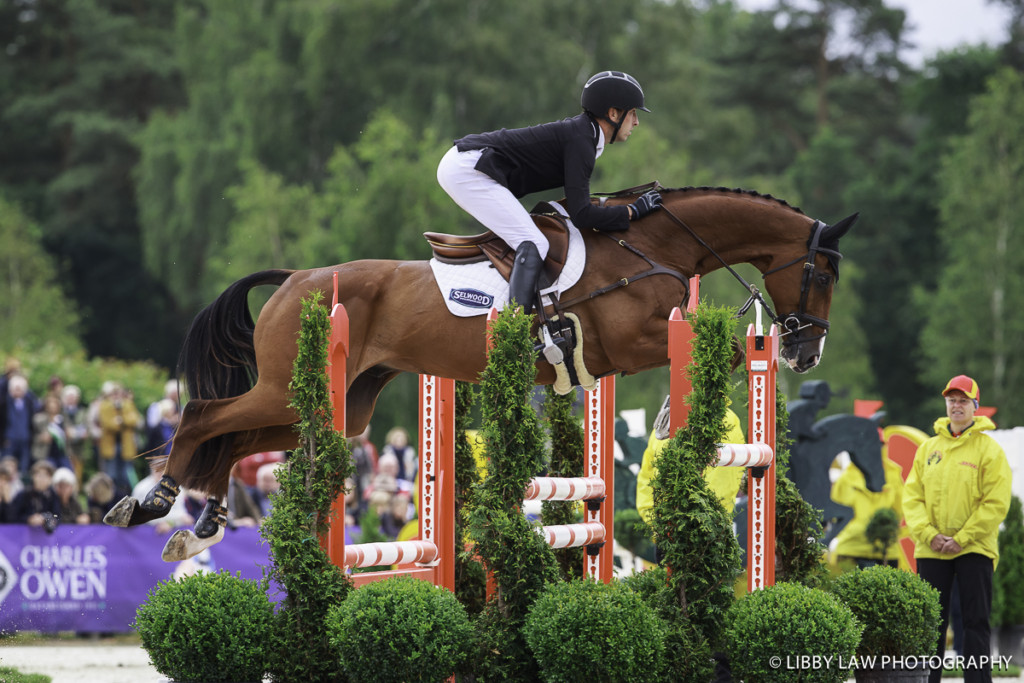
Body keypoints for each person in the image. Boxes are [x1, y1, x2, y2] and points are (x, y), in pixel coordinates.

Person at [437, 70, 661, 315]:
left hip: (470, 166)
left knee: (530, 239)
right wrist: (630, 211)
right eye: (633, 113)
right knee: (533, 242)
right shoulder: (582, 140)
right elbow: (582, 215)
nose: (636, 122)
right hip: (469, 169)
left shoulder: (585, 136)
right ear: (614, 113)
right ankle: (514, 332)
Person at [903, 375, 1011, 683]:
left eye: (963, 400)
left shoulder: (990, 451)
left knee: (975, 621)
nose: (956, 406)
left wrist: (961, 539)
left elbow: (995, 503)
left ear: (975, 406)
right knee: (931, 622)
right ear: (945, 405)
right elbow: (912, 497)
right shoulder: (927, 449)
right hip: (931, 548)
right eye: (952, 400)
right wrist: (929, 535)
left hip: (974, 548)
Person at [830, 448, 907, 569]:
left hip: (885, 550)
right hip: (851, 548)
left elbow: (900, 510)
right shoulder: (845, 478)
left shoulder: (893, 476)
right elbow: (835, 512)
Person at [97, 382, 142, 494]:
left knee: (126, 474)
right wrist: (121, 422)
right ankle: (111, 496)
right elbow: (108, 423)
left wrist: (120, 419)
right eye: (114, 394)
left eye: (118, 394)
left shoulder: (127, 404)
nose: (116, 396)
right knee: (111, 474)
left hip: (126, 445)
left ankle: (124, 495)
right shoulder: (105, 405)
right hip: (111, 446)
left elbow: (134, 420)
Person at [3, 374, 38, 476]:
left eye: (20, 389)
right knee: (6, 464)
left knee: (24, 466)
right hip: (9, 439)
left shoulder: (29, 402)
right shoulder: (4, 403)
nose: (17, 392)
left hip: (25, 439)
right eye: (15, 389)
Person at [11, 460, 61, 530]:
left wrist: (46, 519)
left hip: (45, 538)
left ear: (50, 479)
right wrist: (28, 519)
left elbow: (57, 516)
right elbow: (13, 516)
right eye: (39, 475)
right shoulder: (23, 494)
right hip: (22, 536)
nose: (42, 479)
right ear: (33, 476)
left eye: (46, 475)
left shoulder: (53, 496)